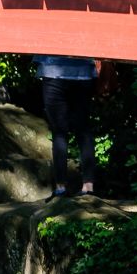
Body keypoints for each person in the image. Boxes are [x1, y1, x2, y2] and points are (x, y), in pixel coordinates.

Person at [36, 55, 100, 196]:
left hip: (53, 71)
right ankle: (88, 187)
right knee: (83, 131)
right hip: (82, 72)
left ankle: (61, 188)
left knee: (60, 133)